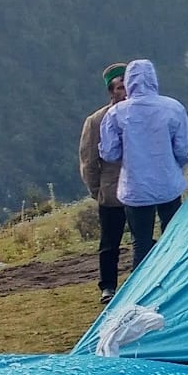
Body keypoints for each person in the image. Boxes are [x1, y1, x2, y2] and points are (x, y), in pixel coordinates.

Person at [100, 59, 188, 269]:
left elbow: (109, 153)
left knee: (141, 244)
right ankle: (174, 283)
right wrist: (172, 166)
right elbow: (183, 149)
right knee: (174, 240)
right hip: (168, 184)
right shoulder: (173, 107)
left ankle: (142, 293)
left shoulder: (116, 113)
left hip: (135, 188)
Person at [78, 64, 128, 300]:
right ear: (111, 91)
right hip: (112, 190)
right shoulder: (96, 121)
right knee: (110, 242)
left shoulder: (139, 113)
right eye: (120, 87)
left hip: (140, 188)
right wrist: (96, 189)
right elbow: (88, 159)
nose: (125, 91)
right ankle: (107, 286)